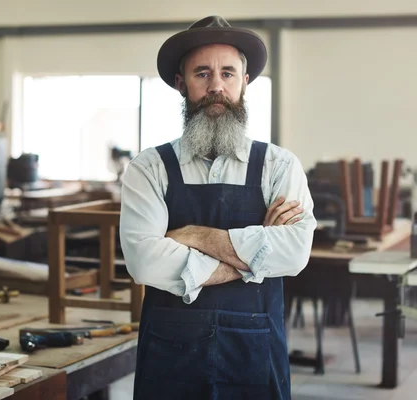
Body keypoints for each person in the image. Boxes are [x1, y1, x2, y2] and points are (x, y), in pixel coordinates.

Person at [119, 15, 317, 400]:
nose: (216, 87)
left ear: (245, 82)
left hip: (255, 353)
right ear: (181, 84)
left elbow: (293, 254)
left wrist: (193, 236)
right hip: (169, 357)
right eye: (202, 73)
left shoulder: (279, 166)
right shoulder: (149, 168)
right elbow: (144, 262)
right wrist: (255, 259)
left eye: (228, 74)